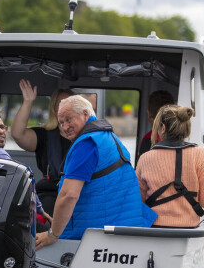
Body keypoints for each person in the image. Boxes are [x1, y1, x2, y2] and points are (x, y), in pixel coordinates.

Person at [35, 96, 156, 249]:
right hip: (124, 229)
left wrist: (53, 234)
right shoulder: (109, 136)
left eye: (69, 119)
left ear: (85, 114)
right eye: (61, 122)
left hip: (96, 239)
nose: (65, 127)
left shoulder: (86, 144)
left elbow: (69, 195)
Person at [135, 104, 204, 228]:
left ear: (163, 128)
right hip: (187, 231)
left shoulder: (145, 158)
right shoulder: (199, 154)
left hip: (154, 231)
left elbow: (138, 202)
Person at [10, 80, 74, 215]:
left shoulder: (87, 138)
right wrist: (28, 102)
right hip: (51, 193)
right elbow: (18, 134)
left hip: (79, 191)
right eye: (61, 104)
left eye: (70, 104)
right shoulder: (45, 136)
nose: (66, 108)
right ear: (54, 109)